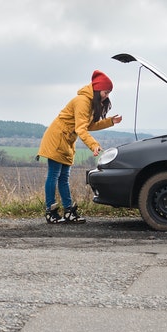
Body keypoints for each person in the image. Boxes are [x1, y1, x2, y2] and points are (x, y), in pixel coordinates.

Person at [37, 70, 122, 223]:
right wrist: (93, 145)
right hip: (57, 139)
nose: (107, 96)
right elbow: (81, 129)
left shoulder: (89, 102)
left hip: (66, 140)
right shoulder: (82, 101)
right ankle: (50, 211)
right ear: (97, 89)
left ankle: (68, 211)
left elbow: (89, 125)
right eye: (106, 92)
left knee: (63, 178)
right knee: (54, 175)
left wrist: (110, 121)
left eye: (109, 93)